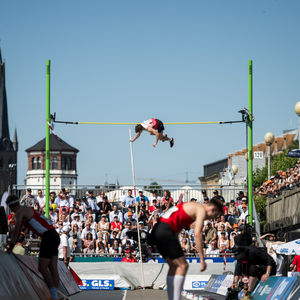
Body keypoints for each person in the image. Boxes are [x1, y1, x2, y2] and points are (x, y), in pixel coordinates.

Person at [151, 199, 223, 300]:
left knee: (173, 266)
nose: (212, 218)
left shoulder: (188, 207)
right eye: (214, 216)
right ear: (212, 209)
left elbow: (176, 232)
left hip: (157, 230)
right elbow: (197, 234)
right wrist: (202, 258)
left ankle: (172, 298)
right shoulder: (200, 209)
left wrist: (177, 248)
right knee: (183, 265)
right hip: (166, 230)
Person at [6, 195, 60, 300]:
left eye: (11, 208)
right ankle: (55, 295)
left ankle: (53, 297)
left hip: (47, 237)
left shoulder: (19, 212)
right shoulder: (28, 209)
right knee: (53, 267)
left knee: (42, 268)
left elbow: (16, 231)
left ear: (12, 206)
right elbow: (30, 223)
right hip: (54, 234)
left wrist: (10, 247)